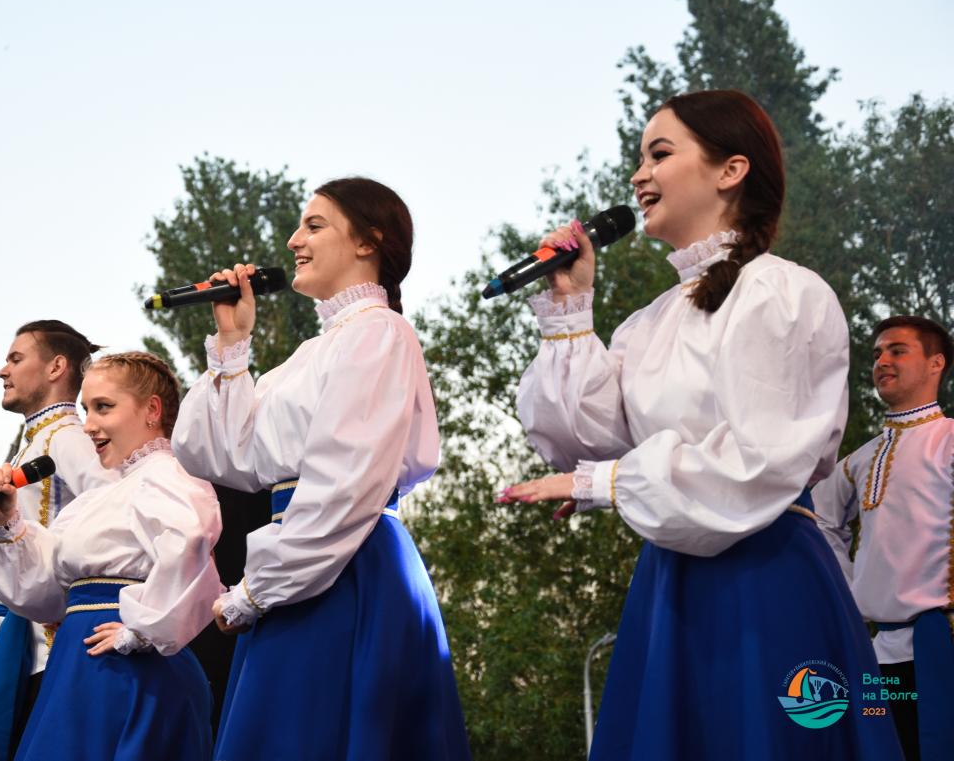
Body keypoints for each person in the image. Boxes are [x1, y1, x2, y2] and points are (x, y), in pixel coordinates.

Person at [499, 90, 903, 759]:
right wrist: (569, 309)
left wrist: (603, 483)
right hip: (671, 581)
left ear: (730, 170)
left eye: (659, 154)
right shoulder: (649, 322)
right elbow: (578, 441)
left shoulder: (781, 291)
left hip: (762, 575)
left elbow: (756, 463)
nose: (639, 175)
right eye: (639, 158)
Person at [172, 176, 472, 760]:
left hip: (344, 564)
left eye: (314, 225)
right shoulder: (314, 352)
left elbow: (346, 481)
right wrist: (232, 342)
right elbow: (222, 455)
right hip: (302, 561)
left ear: (368, 241)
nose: (293, 241)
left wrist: (256, 590)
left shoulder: (379, 332)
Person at [0, 351, 221, 761]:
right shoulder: (96, 500)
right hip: (78, 661)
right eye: (86, 409)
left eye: (103, 407)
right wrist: (7, 522)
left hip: (129, 670)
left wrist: (141, 629)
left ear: (152, 410)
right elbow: (44, 594)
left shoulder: (166, 475)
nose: (88, 424)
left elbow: (190, 542)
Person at [0, 319, 118, 761]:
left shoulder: (68, 438)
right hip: (21, 635)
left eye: (15, 359)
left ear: (55, 367)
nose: (3, 370)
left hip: (51, 639)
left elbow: (113, 508)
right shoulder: (37, 442)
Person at [813, 315, 953, 761]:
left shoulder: (948, 439)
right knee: (881, 751)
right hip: (877, 654)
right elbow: (818, 520)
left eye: (897, 350)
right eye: (876, 354)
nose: (882, 361)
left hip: (942, 644)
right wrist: (850, 590)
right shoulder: (859, 460)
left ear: (935, 363)